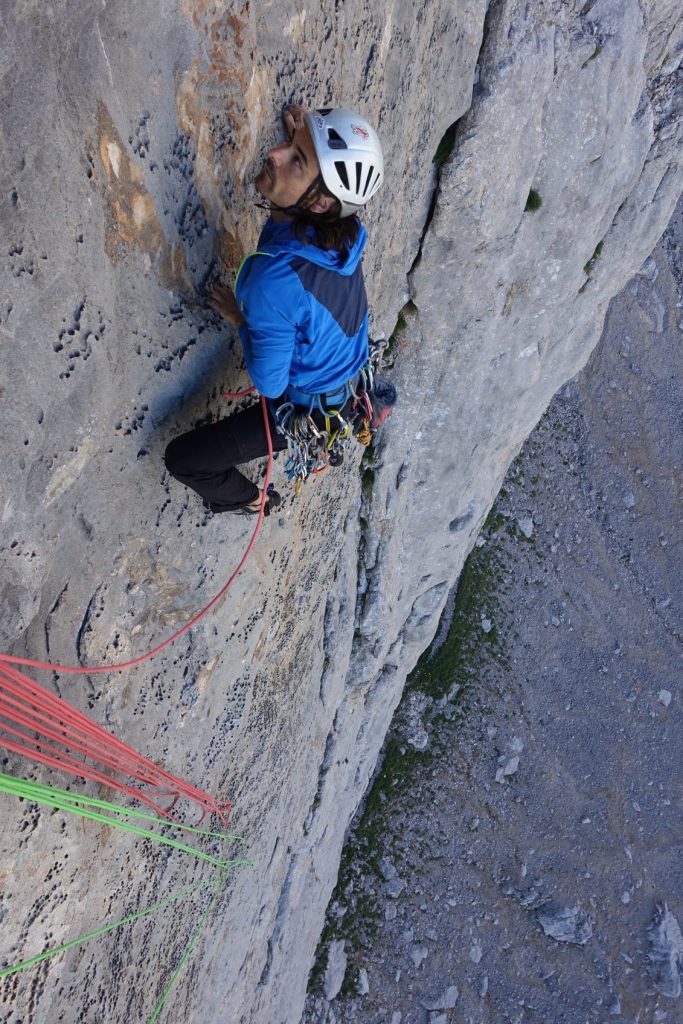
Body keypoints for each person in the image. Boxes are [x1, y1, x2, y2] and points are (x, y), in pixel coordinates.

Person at [164, 104, 384, 514]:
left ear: (319, 203)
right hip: (344, 373)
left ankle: (253, 500)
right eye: (291, 146)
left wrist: (241, 320)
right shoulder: (346, 229)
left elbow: (270, 384)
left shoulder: (271, 282)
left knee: (184, 460)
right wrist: (307, 144)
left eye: (295, 159)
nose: (275, 154)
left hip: (304, 407)